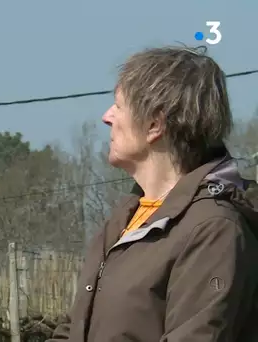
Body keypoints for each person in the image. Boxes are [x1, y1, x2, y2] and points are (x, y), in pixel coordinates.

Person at [50, 46, 258, 341]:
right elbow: (73, 331)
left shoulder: (213, 230)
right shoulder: (124, 221)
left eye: (118, 106)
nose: (106, 117)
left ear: (154, 125)